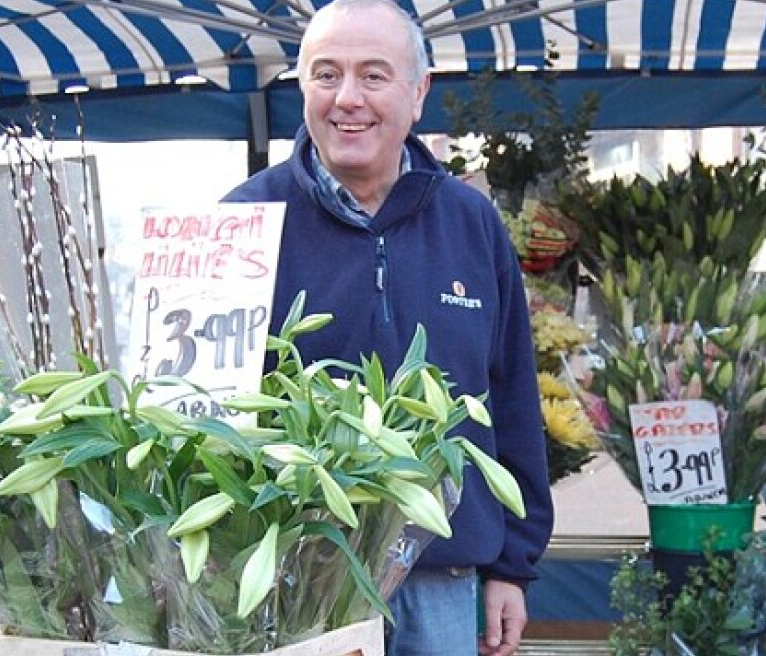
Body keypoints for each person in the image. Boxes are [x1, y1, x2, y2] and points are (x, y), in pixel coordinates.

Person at [221, 1, 554, 654]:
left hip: (443, 580)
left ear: (419, 91)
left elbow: (511, 397)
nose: (348, 99)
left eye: (374, 76)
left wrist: (514, 564)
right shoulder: (244, 220)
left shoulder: (471, 223)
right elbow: (201, 406)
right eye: (325, 75)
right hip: (303, 579)